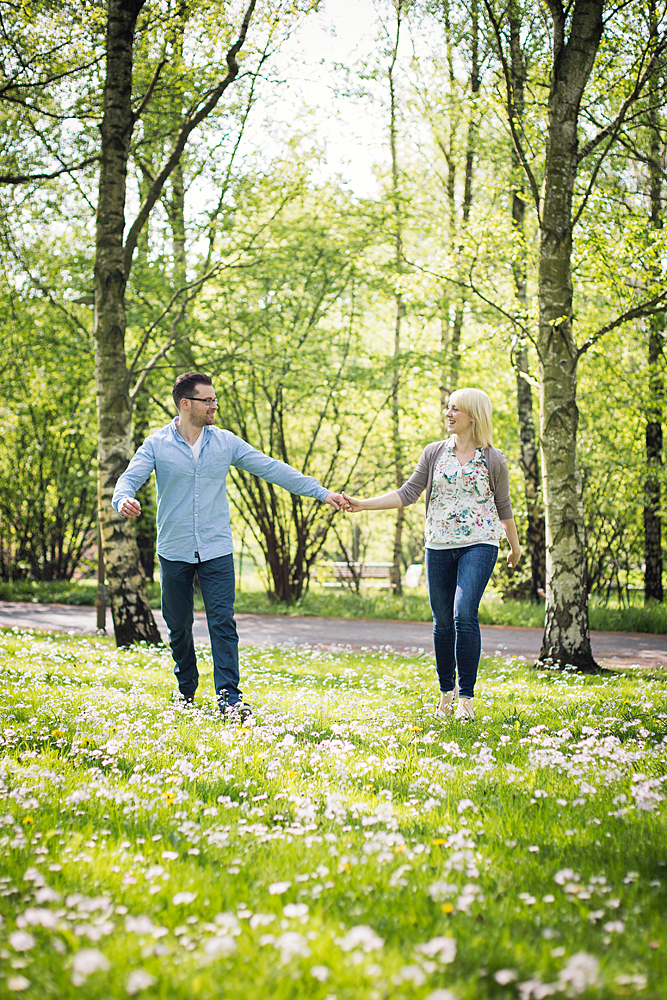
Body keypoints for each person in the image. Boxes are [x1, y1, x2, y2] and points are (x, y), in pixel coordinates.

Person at [112, 372, 346, 719]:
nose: (214, 405)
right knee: (179, 627)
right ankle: (186, 690)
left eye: (215, 399)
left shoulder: (225, 443)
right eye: (208, 400)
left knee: (222, 621)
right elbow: (129, 479)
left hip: (216, 549)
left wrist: (321, 492)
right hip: (174, 549)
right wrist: (123, 499)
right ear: (185, 403)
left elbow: (272, 469)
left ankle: (229, 699)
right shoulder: (156, 445)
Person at [342, 387, 521, 721]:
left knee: (464, 613)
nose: (448, 414)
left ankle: (466, 698)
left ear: (473, 416)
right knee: (442, 622)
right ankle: (446, 695)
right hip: (438, 545)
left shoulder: (494, 459)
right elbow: (408, 493)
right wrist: (363, 504)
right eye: (447, 408)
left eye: (455, 409)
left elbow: (503, 506)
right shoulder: (435, 452)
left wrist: (515, 545)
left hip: (480, 543)